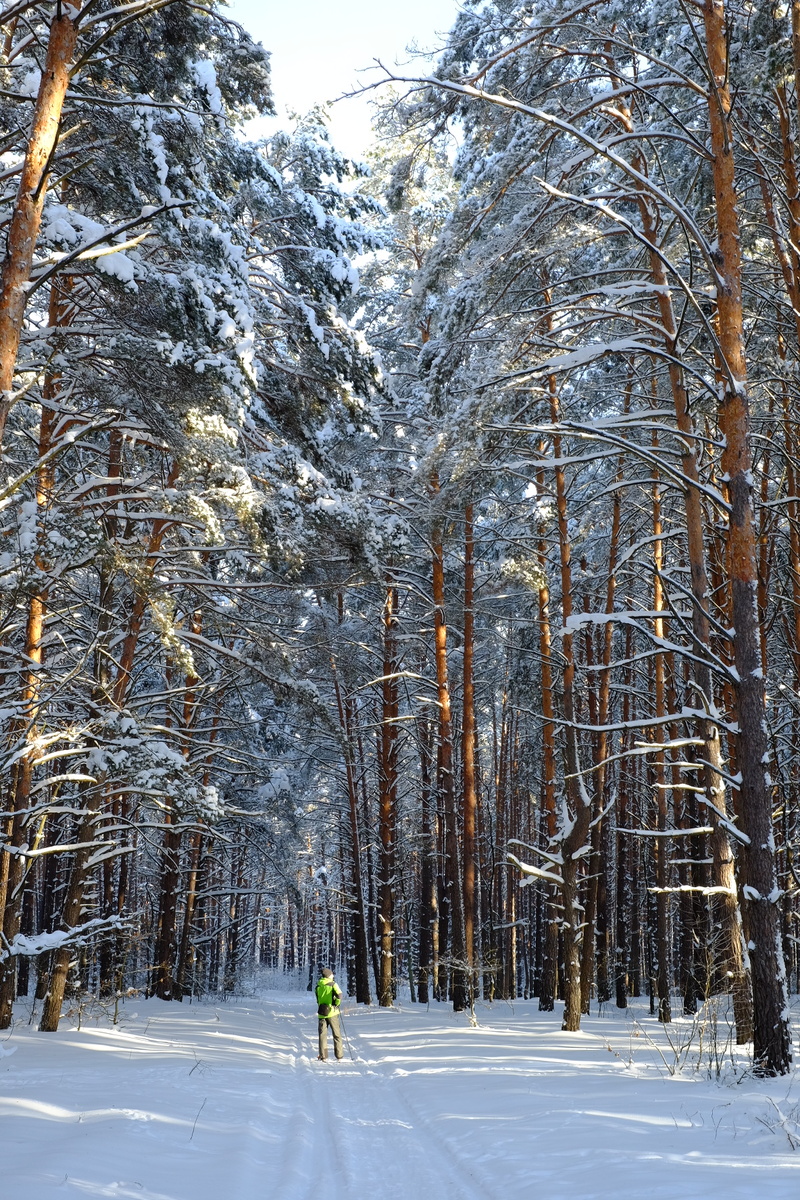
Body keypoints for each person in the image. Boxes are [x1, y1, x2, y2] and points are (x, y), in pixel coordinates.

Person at [315, 966, 344, 1061]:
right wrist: (336, 1004)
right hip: (332, 1012)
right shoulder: (333, 984)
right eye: (332, 974)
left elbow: (317, 999)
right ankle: (339, 1055)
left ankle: (323, 1056)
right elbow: (340, 995)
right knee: (337, 1034)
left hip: (322, 1012)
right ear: (329, 975)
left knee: (322, 1035)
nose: (333, 976)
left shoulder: (318, 986)